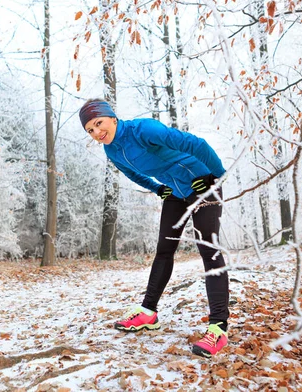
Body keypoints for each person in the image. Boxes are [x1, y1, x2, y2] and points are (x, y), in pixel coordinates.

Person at [79, 98, 229, 358]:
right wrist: (158, 188)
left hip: (202, 183)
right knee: (164, 250)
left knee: (209, 251)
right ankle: (148, 312)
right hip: (176, 192)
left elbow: (196, 144)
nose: (96, 133)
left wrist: (215, 176)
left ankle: (218, 328)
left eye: (98, 124)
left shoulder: (144, 130)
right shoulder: (111, 150)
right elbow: (132, 173)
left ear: (112, 117)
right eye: (90, 130)